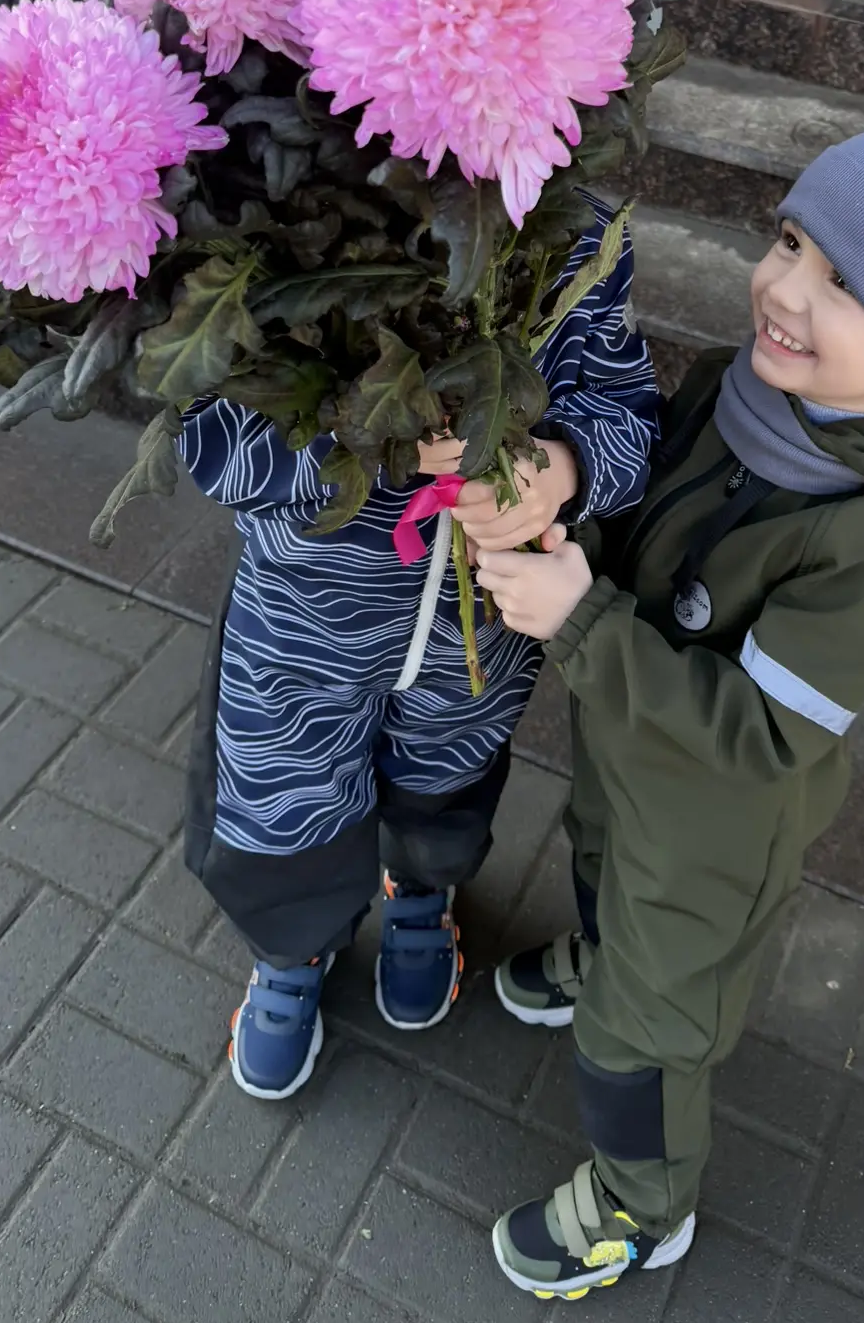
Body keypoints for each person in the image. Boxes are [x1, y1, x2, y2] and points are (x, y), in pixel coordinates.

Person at [475, 120, 864, 1301]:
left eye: (847, 283)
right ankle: (602, 949)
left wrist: (581, 619)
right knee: (598, 856)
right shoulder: (741, 389)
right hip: (631, 756)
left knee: (648, 1029)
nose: (783, 288)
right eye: (789, 241)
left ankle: (641, 1202)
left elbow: (762, 737)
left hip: (715, 832)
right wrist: (566, 515)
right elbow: (646, 515)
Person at [180, 195, 659, 1099]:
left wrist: (563, 470)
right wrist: (360, 432)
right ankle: (293, 947)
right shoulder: (293, 211)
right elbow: (207, 432)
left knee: (449, 778)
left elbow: (627, 409)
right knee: (280, 792)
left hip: (479, 635)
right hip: (307, 624)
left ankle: (423, 888)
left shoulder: (578, 229)